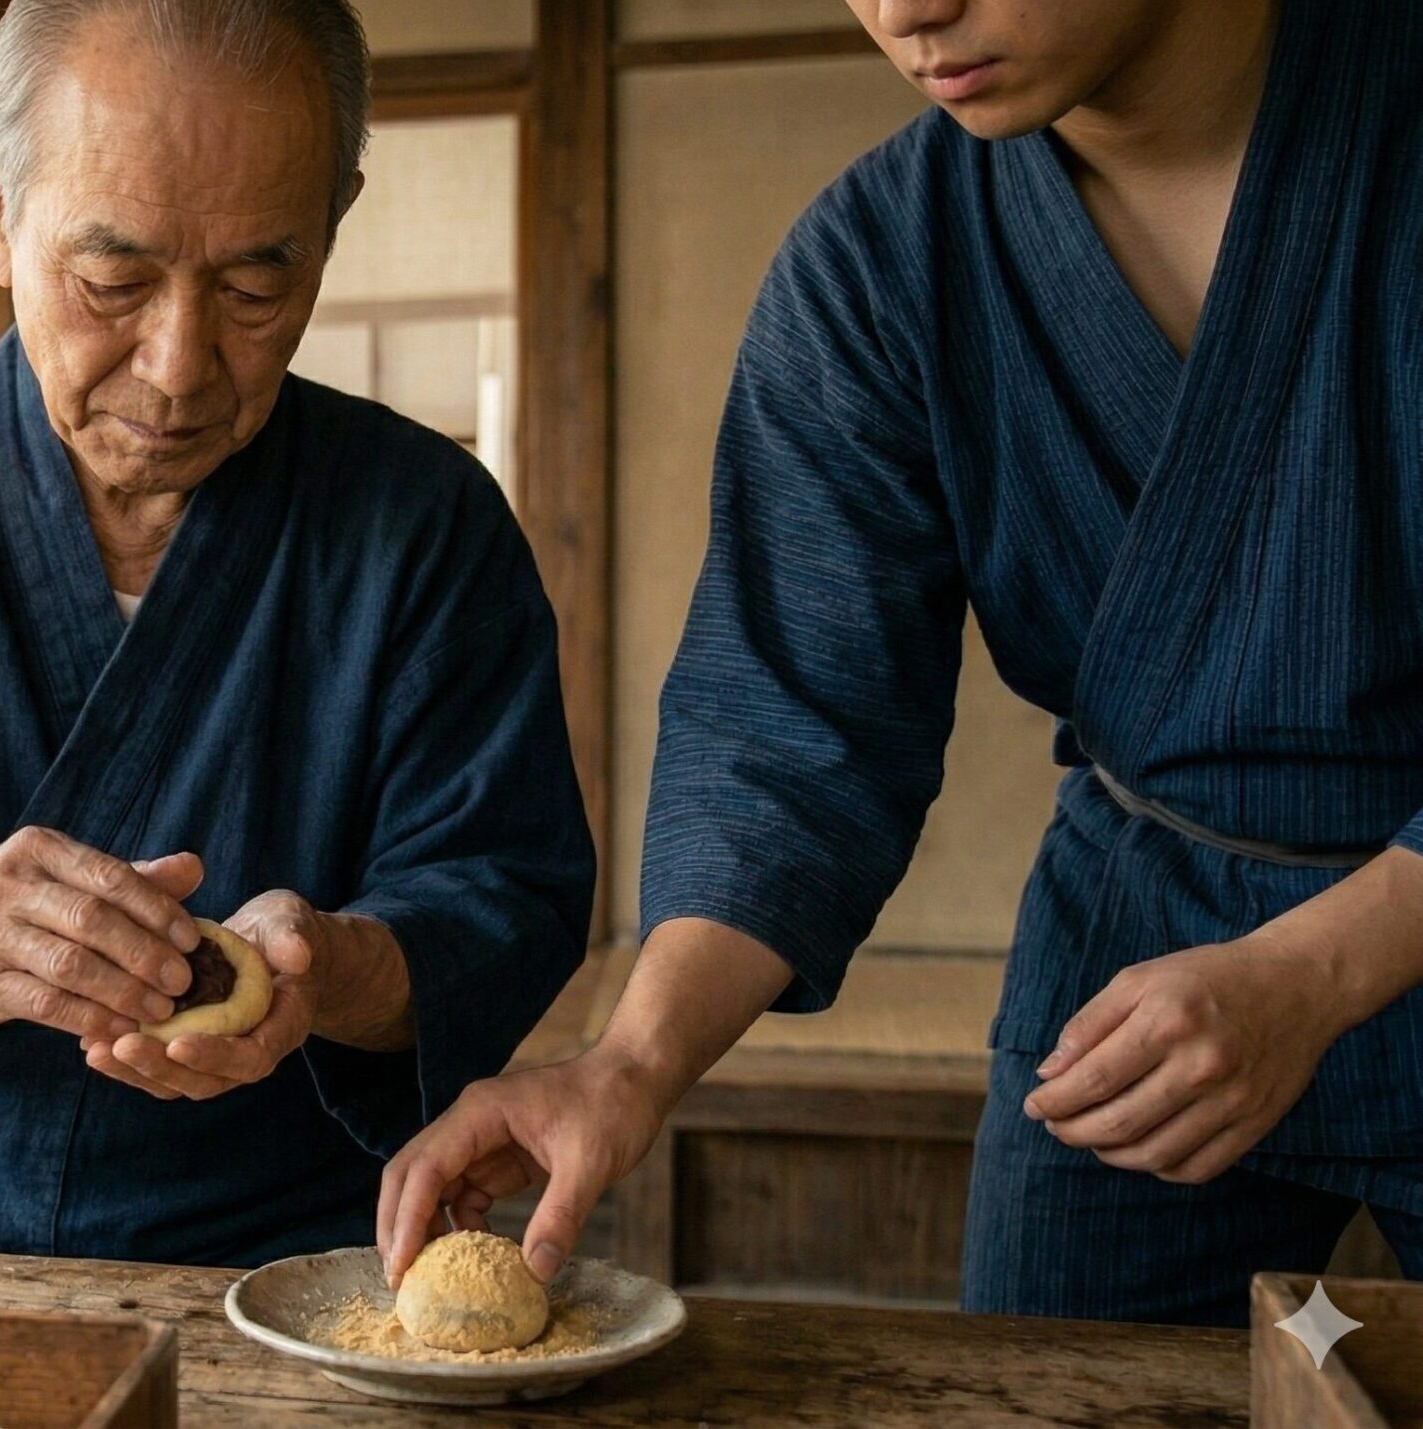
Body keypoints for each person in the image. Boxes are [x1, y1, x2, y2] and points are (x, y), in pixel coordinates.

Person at [380, 0, 1423, 1326]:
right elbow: (790, 725)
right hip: (1138, 946)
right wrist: (626, 1063)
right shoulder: (884, 260)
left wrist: (1318, 969)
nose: (905, 10)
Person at [0, 0, 593, 1267]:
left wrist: (328, 971)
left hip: (285, 1240)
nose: (179, 364)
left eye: (257, 281)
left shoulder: (421, 527)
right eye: (112, 281)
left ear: (333, 222)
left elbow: (502, 892)